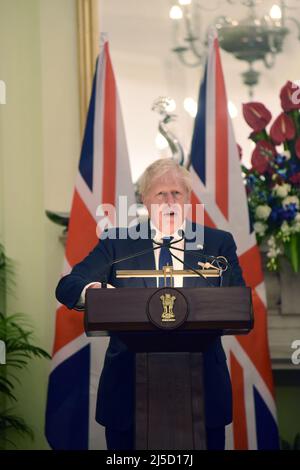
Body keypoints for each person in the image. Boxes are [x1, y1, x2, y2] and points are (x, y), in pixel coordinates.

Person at [55, 158, 245, 450]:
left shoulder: (217, 243)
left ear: (188, 199)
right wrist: (96, 291)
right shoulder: (118, 243)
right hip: (127, 391)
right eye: (161, 194)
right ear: (144, 200)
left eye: (177, 194)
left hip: (203, 390)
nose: (169, 201)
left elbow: (238, 302)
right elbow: (68, 286)